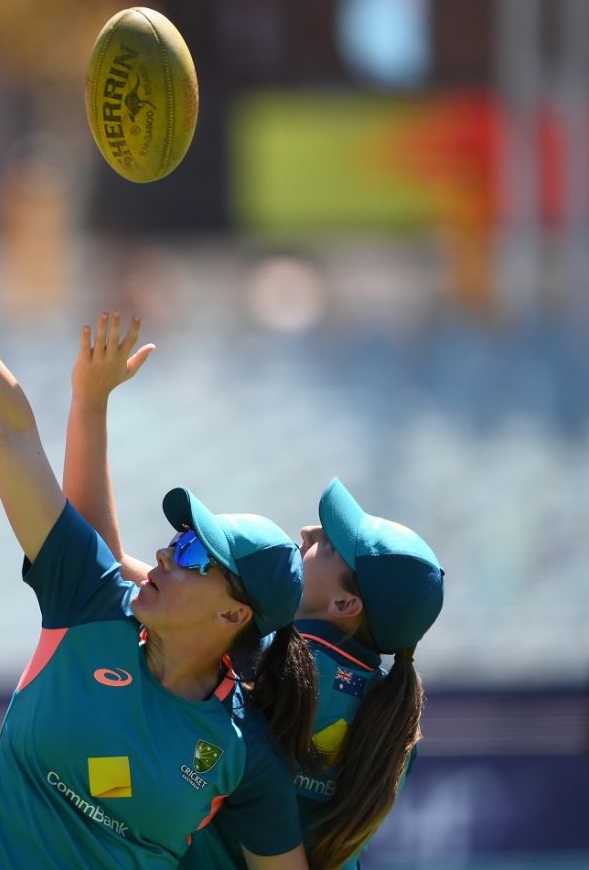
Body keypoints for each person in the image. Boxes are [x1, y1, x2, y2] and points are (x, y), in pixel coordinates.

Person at [0, 151, 315, 869]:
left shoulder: (242, 751)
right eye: (177, 537)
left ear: (235, 615)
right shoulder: (90, 600)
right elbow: (10, 432)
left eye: (195, 553)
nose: (168, 551)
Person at [62, 312, 445, 870]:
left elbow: (99, 557)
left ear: (345, 605)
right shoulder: (393, 720)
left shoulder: (266, 659)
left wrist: (90, 402)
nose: (309, 532)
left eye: (329, 544)